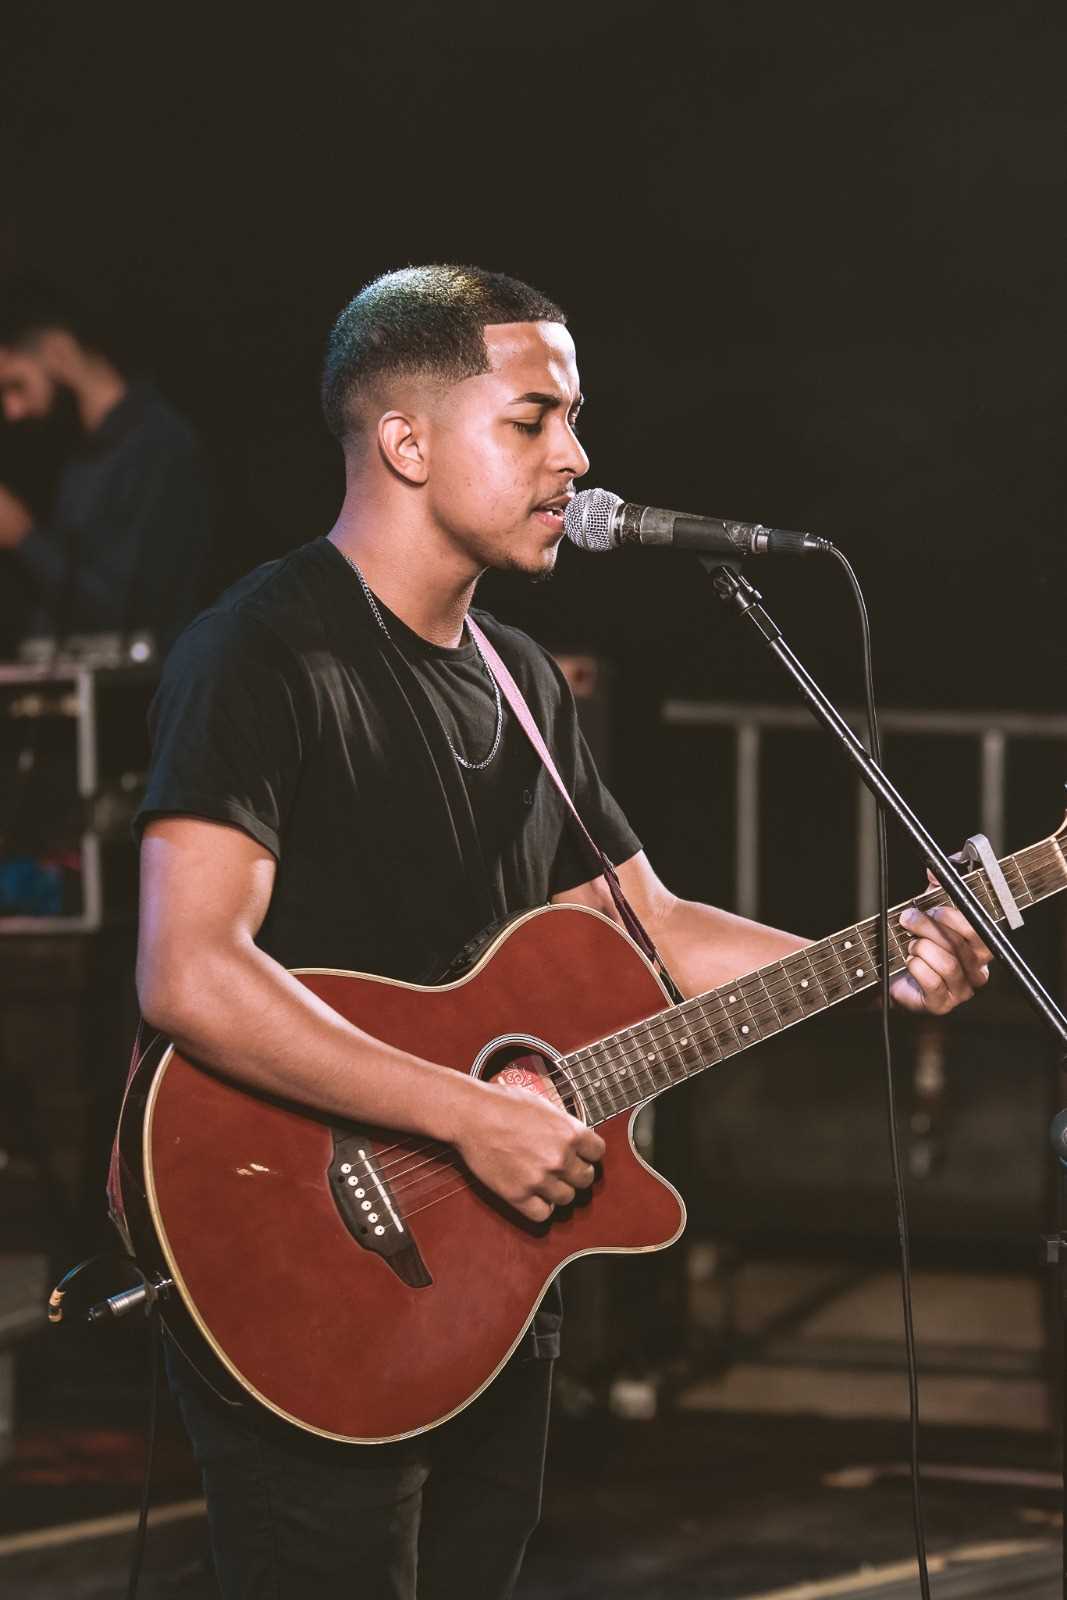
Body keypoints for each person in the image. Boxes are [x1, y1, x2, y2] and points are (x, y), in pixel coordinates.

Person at [132, 265, 992, 1599]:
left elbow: (648, 927)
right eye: (530, 420)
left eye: (572, 421)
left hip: (489, 1274)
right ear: (405, 441)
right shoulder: (263, 652)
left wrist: (884, 955)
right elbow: (187, 971)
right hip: (300, 1249)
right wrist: (462, 1116)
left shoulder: (521, 681)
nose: (576, 457)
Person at [0, 277, 213, 657]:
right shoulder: (79, 459)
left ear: (58, 352)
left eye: (16, 385)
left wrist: (23, 536)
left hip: (140, 699)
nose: (13, 411)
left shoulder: (159, 445)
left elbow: (126, 612)